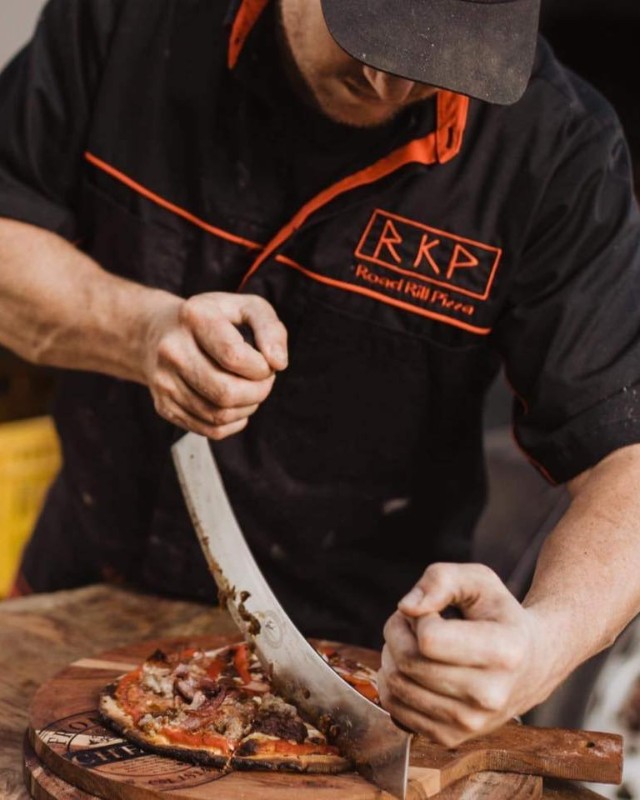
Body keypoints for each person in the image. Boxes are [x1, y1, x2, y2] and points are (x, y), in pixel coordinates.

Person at [1, 0, 640, 749]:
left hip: (356, 677)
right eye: (369, 31)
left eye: (438, 56)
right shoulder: (125, 19)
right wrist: (137, 330)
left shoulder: (556, 152)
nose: (386, 81)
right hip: (78, 608)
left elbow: (624, 461)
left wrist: (543, 647)